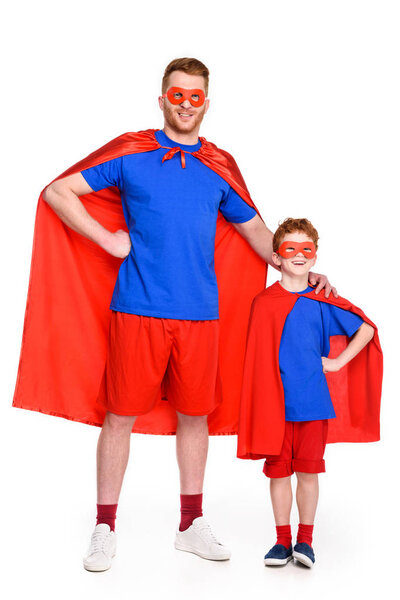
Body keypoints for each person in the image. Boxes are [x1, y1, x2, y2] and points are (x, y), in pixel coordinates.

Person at [13, 58, 334, 572]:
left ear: (207, 102)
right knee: (119, 415)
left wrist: (294, 267)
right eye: (177, 95)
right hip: (136, 308)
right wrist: (106, 238)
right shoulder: (131, 154)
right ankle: (105, 526)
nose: (186, 104)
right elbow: (58, 191)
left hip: (200, 316)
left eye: (196, 96)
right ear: (162, 99)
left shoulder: (218, 165)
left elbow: (254, 229)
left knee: (195, 416)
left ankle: (190, 524)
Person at [237, 217, 382, 568]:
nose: (299, 255)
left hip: (313, 404)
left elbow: (364, 328)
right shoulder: (263, 302)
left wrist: (335, 362)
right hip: (274, 406)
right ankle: (281, 541)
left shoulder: (324, 300)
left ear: (314, 257)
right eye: (291, 249)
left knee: (308, 471)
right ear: (277, 257)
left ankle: (305, 541)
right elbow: (255, 358)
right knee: (278, 472)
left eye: (306, 249)